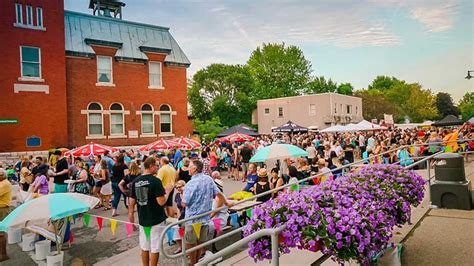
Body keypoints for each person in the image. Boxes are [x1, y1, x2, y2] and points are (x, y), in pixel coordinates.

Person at [182, 160, 232, 265]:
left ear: (195, 169)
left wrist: (182, 194)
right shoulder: (208, 179)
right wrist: (226, 202)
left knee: (191, 244)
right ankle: (197, 263)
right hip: (205, 218)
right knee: (200, 244)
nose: (187, 169)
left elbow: (184, 203)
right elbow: (219, 193)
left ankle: (193, 263)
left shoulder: (190, 184)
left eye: (189, 167)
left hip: (192, 219)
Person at [128, 157, 173, 266]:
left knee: (144, 246)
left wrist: (131, 219)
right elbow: (161, 202)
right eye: (157, 165)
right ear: (151, 166)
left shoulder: (136, 181)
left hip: (143, 218)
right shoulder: (155, 181)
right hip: (156, 218)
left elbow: (131, 203)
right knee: (155, 247)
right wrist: (167, 191)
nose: (158, 167)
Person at [0, 168, 12, 261]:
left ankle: (3, 255)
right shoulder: (2, 183)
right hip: (2, 209)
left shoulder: (5, 184)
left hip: (2, 209)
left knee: (1, 233)